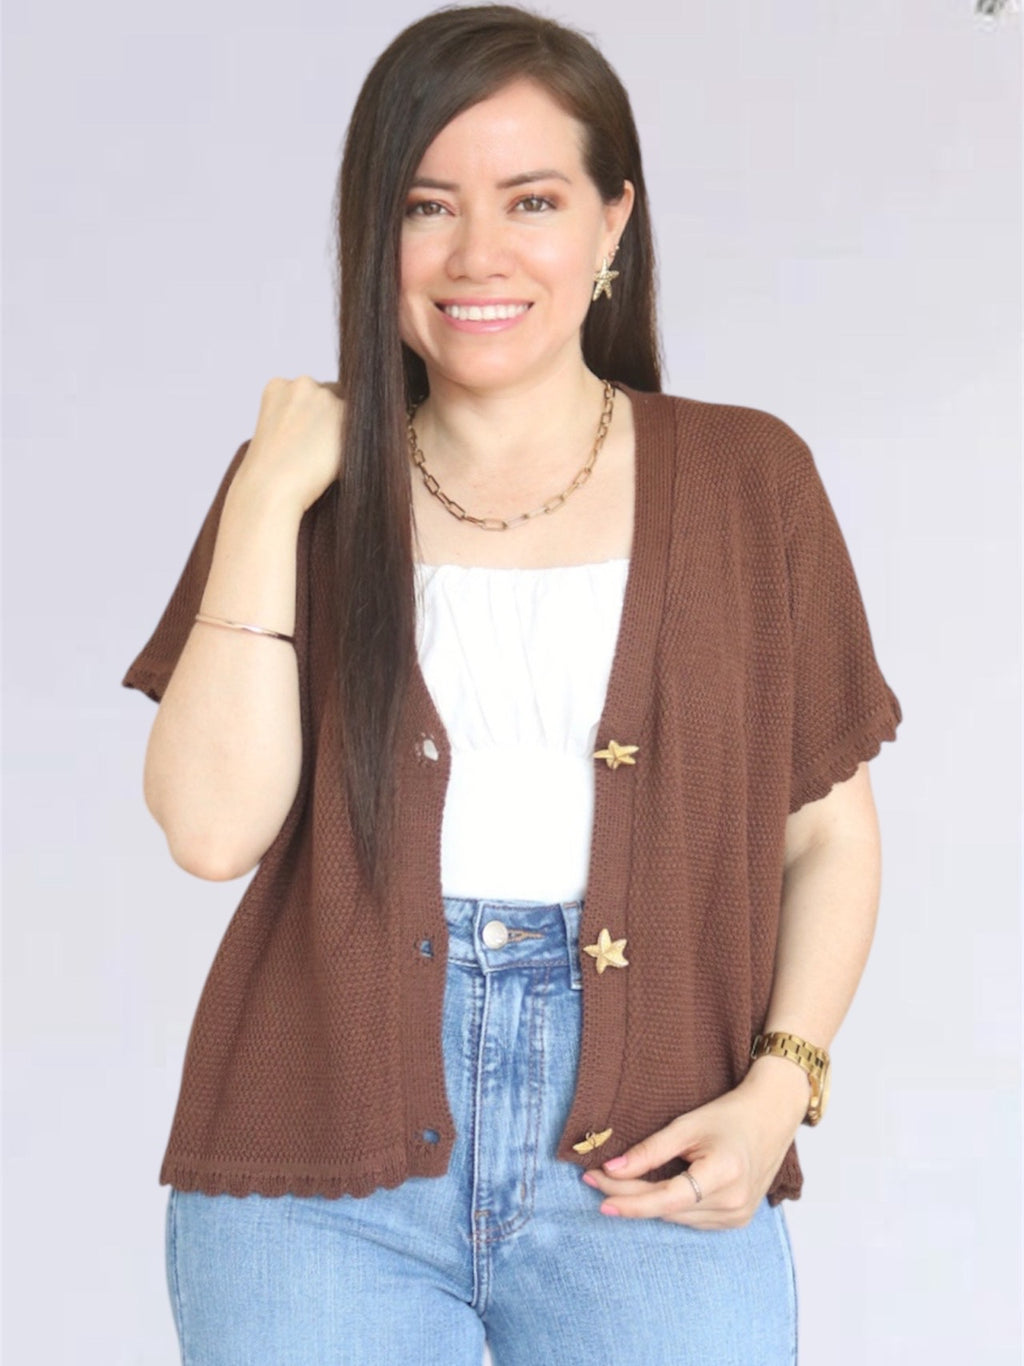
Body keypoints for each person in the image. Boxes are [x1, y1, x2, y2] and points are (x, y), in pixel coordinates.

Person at [123, 6, 903, 1363]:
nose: (477, 254)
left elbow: (827, 833)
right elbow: (208, 830)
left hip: (655, 1160)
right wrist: (267, 496)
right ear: (375, 238)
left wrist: (783, 1087)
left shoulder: (747, 482)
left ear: (613, 224)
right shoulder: (298, 496)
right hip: (315, 1180)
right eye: (427, 207)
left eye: (531, 200)